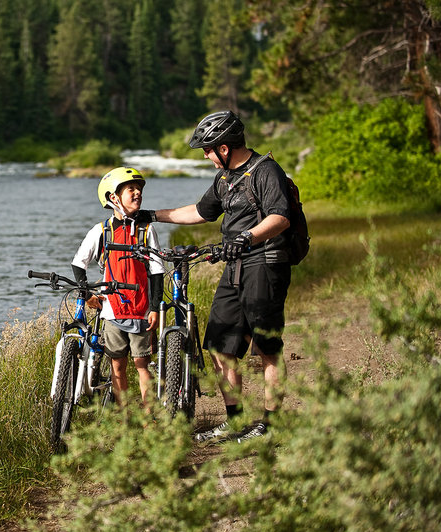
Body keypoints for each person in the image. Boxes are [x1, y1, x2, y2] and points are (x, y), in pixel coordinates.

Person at [140, 110, 292, 442]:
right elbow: (199, 212)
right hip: (234, 267)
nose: (206, 156)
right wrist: (150, 215)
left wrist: (247, 237)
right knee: (220, 345)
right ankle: (236, 421)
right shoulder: (223, 179)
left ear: (224, 147)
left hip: (265, 263)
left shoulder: (266, 171)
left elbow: (280, 218)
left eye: (208, 150)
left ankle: (271, 425)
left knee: (267, 347)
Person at [71, 167, 165, 407]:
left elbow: (156, 271)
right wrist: (86, 294)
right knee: (117, 365)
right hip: (112, 311)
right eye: (131, 190)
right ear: (114, 197)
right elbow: (78, 263)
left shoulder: (146, 230)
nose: (137, 194)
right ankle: (124, 417)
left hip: (142, 310)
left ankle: (148, 419)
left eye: (139, 190)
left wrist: (155, 308)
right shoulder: (101, 231)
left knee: (142, 365)